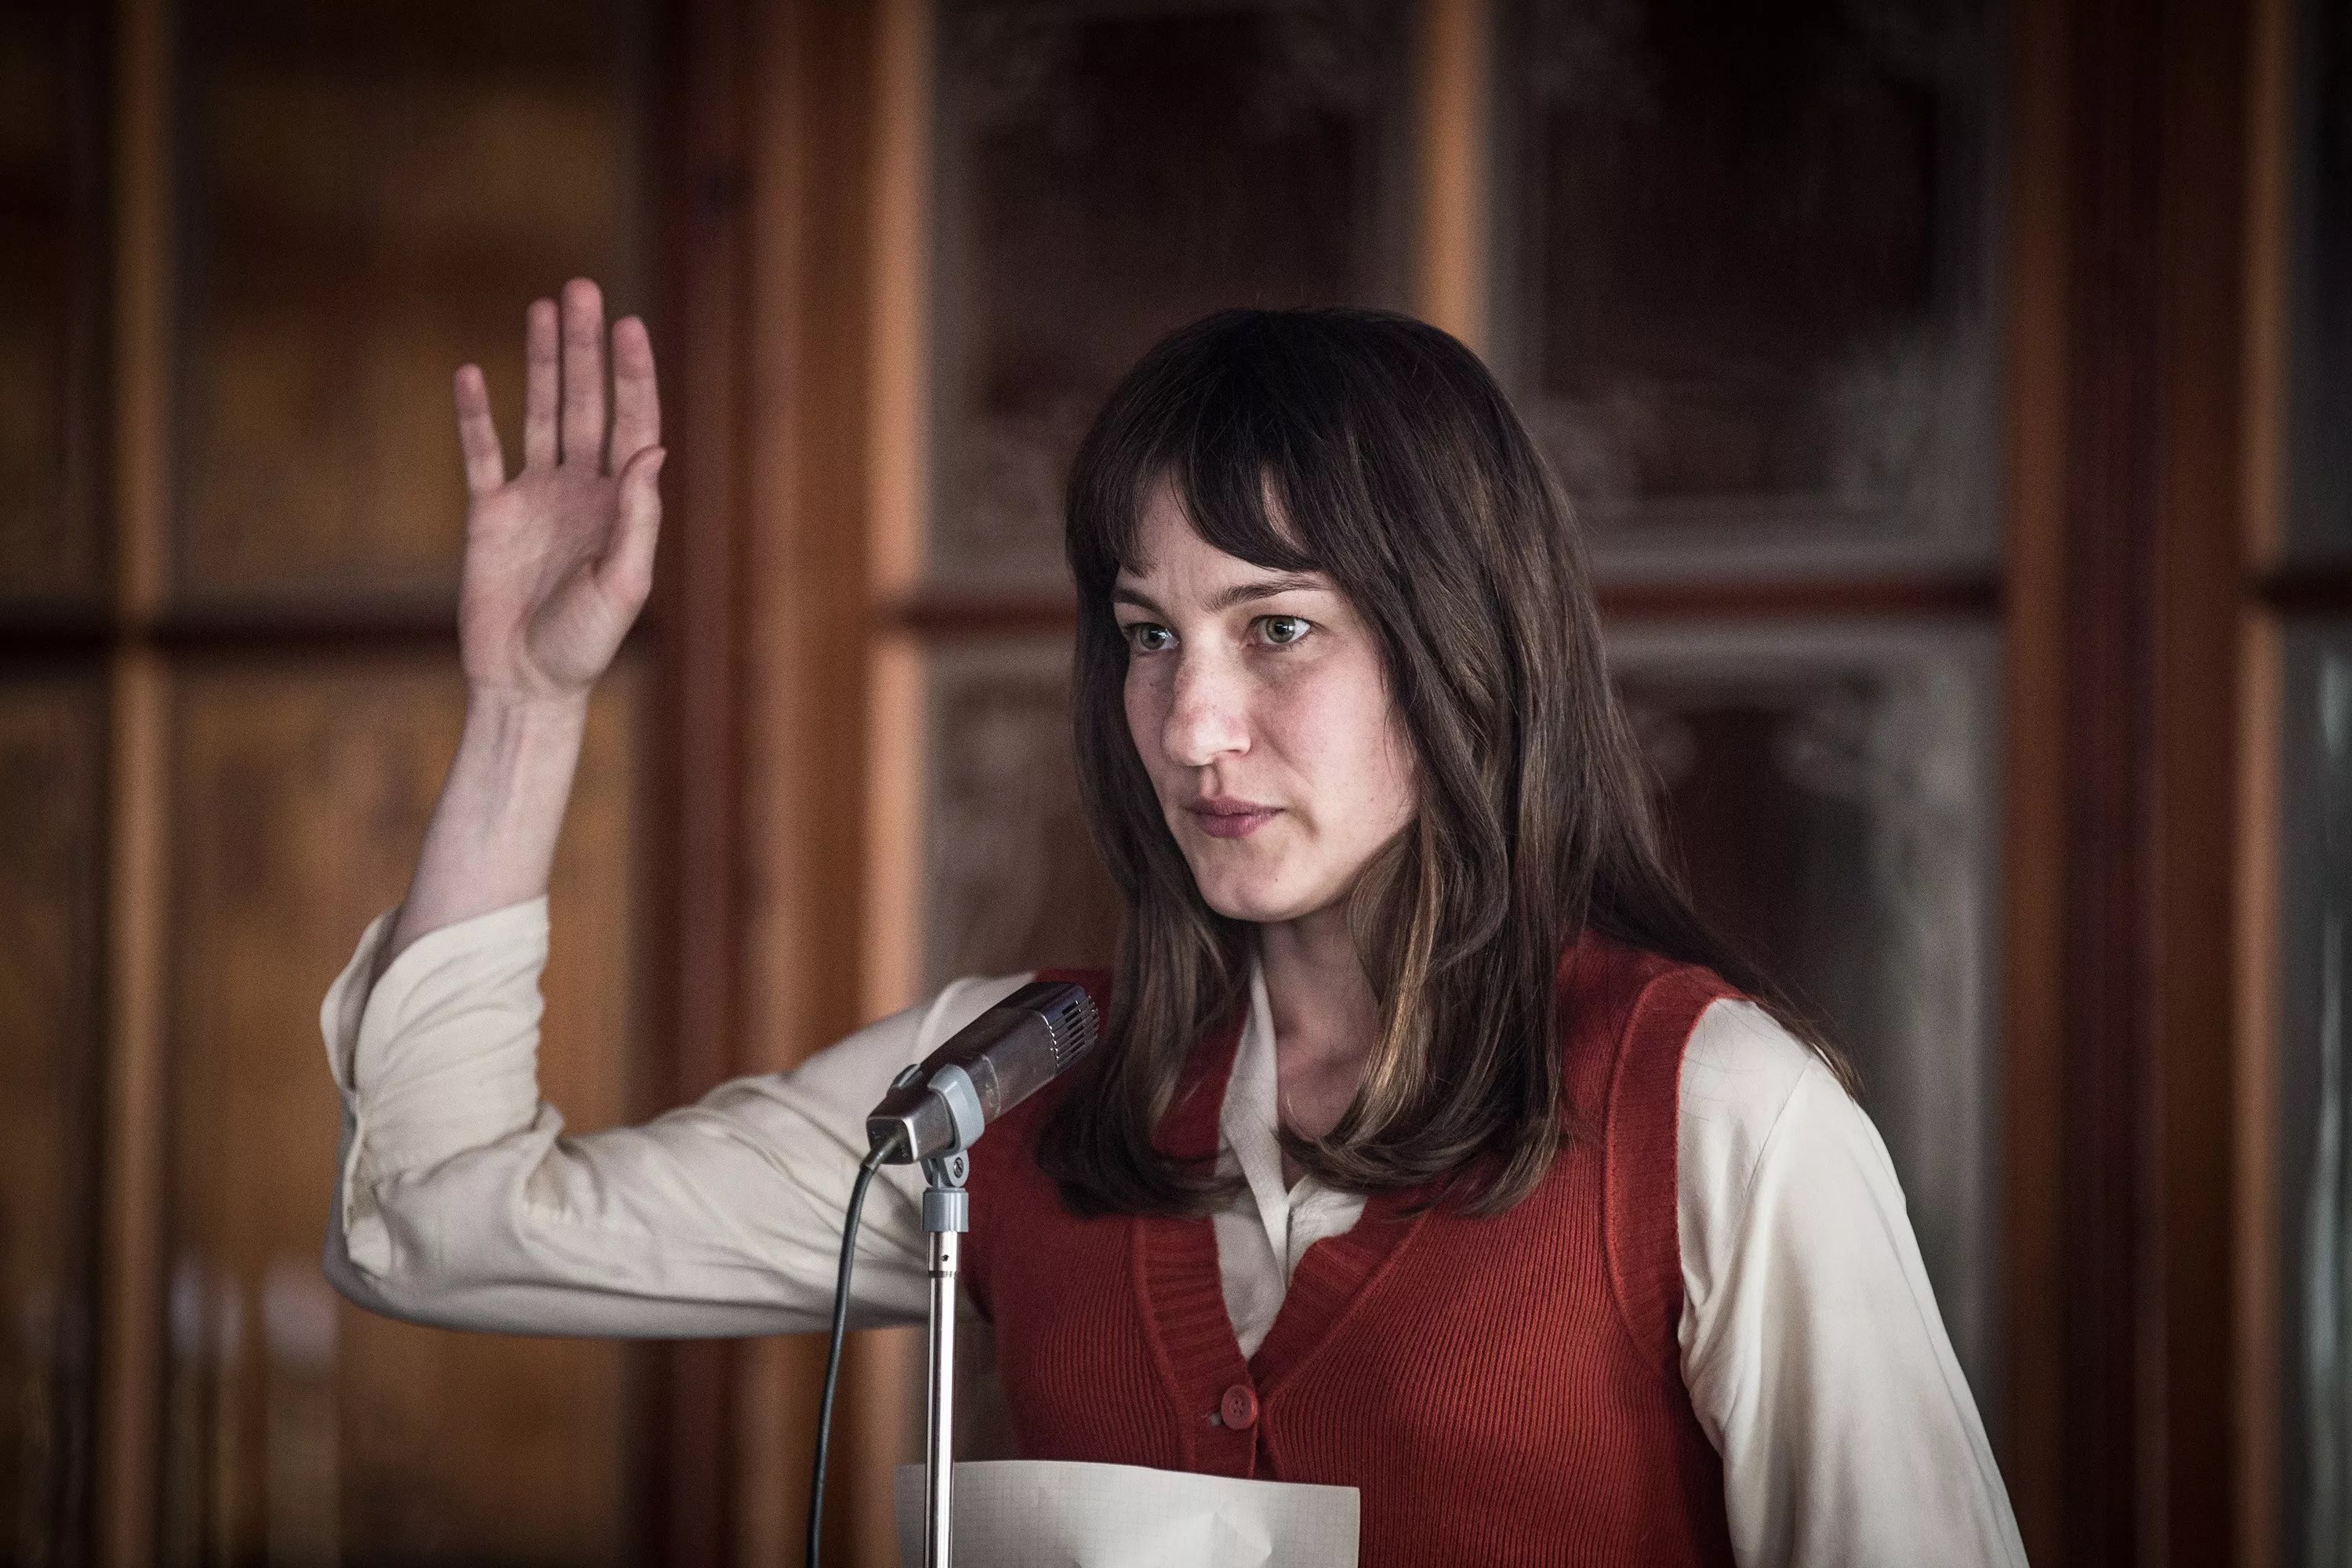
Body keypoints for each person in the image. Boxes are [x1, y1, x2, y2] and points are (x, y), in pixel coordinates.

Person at [320, 278, 2027, 1566]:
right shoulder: (1002, 1089)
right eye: (1150, 636)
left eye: (1277, 629)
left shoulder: (1718, 1113)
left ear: (1462, 650)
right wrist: (527, 704)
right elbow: (434, 1225)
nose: (1194, 725)